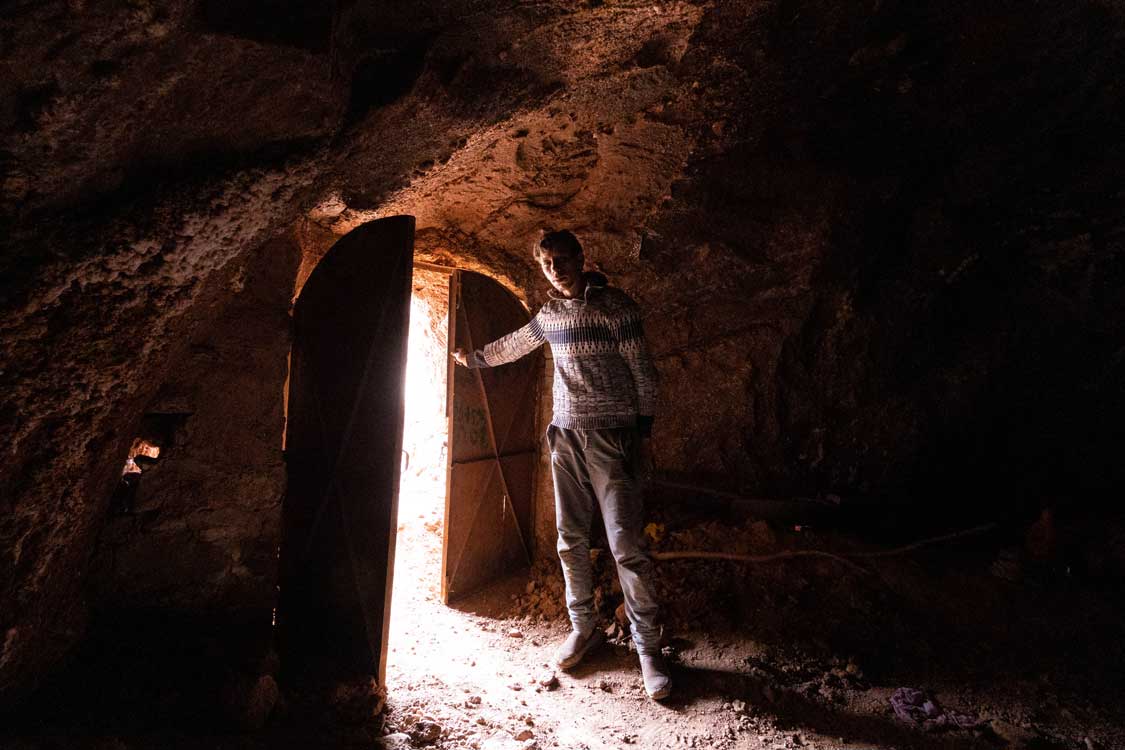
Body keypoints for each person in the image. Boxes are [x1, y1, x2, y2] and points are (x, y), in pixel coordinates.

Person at [452, 229, 671, 700]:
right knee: (570, 539)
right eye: (547, 263)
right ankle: (584, 627)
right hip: (565, 437)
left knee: (626, 544)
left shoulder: (617, 308)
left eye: (563, 259)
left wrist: (643, 435)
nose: (556, 268)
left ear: (581, 257)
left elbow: (643, 373)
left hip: (612, 437)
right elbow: (515, 343)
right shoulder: (551, 314)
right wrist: (473, 359)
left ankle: (649, 649)